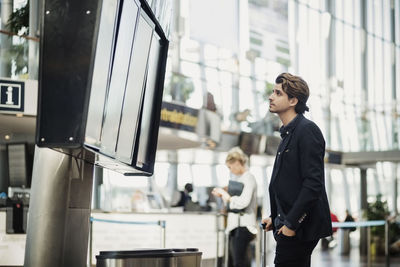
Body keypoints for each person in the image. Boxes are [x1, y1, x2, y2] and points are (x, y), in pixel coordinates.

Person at [261, 73, 332, 267]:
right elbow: (289, 183)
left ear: (293, 100)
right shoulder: (288, 134)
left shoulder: (307, 130)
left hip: (299, 228)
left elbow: (313, 183)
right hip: (288, 224)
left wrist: (291, 223)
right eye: (272, 91)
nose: (271, 96)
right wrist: (275, 216)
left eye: (278, 93)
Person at [212, 147, 257, 267]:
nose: (230, 170)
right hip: (235, 226)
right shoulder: (239, 179)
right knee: (234, 261)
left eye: (230, 167)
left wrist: (228, 197)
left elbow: (244, 202)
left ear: (237, 163)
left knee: (239, 262)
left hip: (243, 226)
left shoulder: (249, 178)